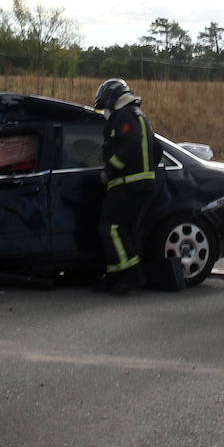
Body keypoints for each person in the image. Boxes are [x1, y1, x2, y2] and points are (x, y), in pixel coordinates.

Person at [93, 77, 158, 294]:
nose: (105, 112)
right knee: (124, 232)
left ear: (112, 98)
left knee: (111, 228)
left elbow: (129, 146)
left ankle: (131, 275)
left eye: (105, 106)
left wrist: (109, 170)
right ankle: (114, 276)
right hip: (139, 184)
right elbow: (155, 147)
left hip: (127, 185)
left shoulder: (124, 116)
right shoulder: (138, 116)